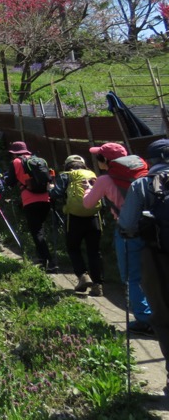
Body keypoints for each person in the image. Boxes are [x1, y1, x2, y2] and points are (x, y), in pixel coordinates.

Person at [83, 142, 152, 333]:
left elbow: (88, 204)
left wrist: (89, 188)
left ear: (105, 160)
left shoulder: (105, 180)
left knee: (132, 277)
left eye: (99, 157)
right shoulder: (144, 172)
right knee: (154, 272)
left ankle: (145, 320)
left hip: (127, 232)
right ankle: (159, 314)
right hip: (152, 228)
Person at [118, 138, 169, 394]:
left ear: (149, 161)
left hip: (158, 258)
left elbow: (126, 225)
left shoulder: (143, 184)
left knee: (163, 317)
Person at [50, 155, 103, 296]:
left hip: (74, 218)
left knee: (73, 248)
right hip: (94, 218)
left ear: (68, 165)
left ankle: (82, 276)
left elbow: (56, 193)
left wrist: (50, 188)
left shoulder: (66, 176)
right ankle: (98, 285)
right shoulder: (92, 175)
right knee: (94, 251)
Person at [5, 141, 58, 272]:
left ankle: (50, 262)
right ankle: (42, 258)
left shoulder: (16, 162)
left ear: (14, 153)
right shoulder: (40, 161)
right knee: (40, 229)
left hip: (30, 200)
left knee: (37, 232)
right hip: (46, 198)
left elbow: (10, 182)